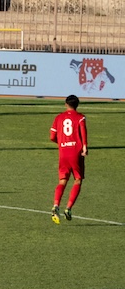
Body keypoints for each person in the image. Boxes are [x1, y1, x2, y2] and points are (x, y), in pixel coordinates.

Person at [49, 94, 88, 223]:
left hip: (63, 152)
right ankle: (68, 208)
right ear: (77, 105)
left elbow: (52, 136)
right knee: (77, 180)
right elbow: (83, 132)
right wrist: (84, 147)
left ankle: (55, 205)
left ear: (66, 104)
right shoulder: (80, 117)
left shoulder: (59, 117)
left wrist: (61, 143)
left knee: (62, 181)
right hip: (76, 152)